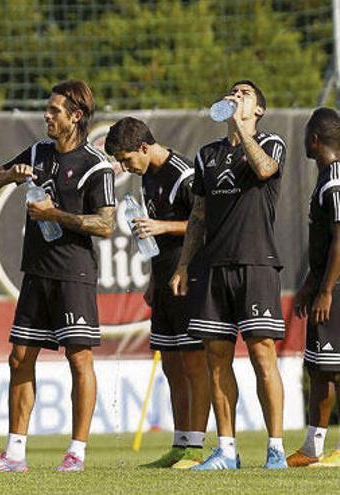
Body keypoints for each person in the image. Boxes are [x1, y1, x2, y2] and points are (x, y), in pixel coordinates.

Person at [0, 80, 116, 472]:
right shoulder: (37, 152)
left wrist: (54, 215)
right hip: (35, 273)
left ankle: (76, 452)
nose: (47, 116)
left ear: (76, 116)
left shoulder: (96, 166)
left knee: (79, 359)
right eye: (47, 109)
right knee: (19, 358)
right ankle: (15, 453)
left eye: (55, 111)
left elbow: (105, 225)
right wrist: (10, 175)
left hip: (74, 274)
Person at [170, 80, 287, 470]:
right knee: (216, 357)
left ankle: (275, 449)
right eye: (232, 93)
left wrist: (240, 128)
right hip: (213, 268)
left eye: (246, 94)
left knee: (261, 354)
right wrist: (184, 265)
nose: (237, 97)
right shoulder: (206, 155)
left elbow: (266, 170)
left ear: (259, 110)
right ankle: (227, 450)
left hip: (256, 263)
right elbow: (198, 216)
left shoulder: (271, 143)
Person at [104, 117, 209, 469]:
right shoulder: (147, 176)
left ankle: (197, 447)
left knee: (194, 362)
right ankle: (180, 445)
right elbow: (155, 239)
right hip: (163, 277)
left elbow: (205, 223)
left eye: (127, 159)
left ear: (144, 147)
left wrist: (163, 226)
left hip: (189, 275)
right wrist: (152, 280)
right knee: (171, 364)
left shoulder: (184, 174)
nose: (125, 167)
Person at [290, 107, 340, 467]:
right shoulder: (326, 178)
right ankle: (312, 448)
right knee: (320, 367)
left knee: (332, 367)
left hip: (336, 288)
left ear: (314, 139)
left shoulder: (336, 179)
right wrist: (311, 283)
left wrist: (326, 290)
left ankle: (316, 447)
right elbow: (323, 244)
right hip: (325, 283)